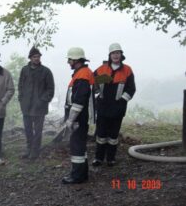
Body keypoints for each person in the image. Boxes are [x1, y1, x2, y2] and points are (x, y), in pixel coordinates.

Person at [92, 43, 136, 167]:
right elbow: (93, 83)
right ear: (110, 55)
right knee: (101, 134)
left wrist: (122, 101)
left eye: (118, 53)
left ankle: (111, 158)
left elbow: (131, 89)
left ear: (121, 55)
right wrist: (98, 90)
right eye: (113, 53)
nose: (115, 55)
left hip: (118, 108)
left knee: (113, 135)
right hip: (103, 107)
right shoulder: (102, 69)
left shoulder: (127, 70)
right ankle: (98, 158)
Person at [62, 47, 94, 184]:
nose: (68, 62)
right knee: (80, 147)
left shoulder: (82, 76)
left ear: (76, 60)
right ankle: (82, 174)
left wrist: (70, 120)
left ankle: (77, 176)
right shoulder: (82, 73)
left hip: (78, 119)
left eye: (70, 60)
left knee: (76, 147)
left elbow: (78, 102)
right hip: (81, 118)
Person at [18, 46, 55, 160]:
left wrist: (42, 100)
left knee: (38, 131)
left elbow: (50, 89)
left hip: (39, 107)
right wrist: (21, 99)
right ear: (30, 58)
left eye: (38, 57)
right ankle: (29, 149)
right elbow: (20, 86)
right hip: (27, 107)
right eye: (34, 57)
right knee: (28, 129)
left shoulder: (46, 71)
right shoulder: (24, 70)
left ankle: (35, 151)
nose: (36, 59)